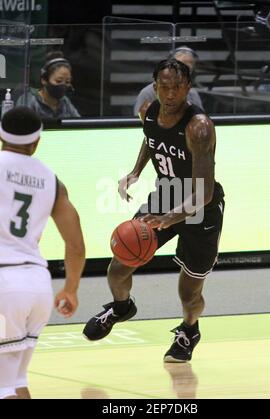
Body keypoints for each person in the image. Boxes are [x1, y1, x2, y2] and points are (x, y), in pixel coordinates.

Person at [83, 59, 225, 363]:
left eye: (177, 87)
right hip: (167, 194)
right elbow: (151, 140)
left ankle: (189, 330)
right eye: (164, 86)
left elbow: (205, 191)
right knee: (120, 265)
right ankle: (121, 307)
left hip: (200, 206)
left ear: (187, 87)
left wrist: (169, 218)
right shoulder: (148, 110)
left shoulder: (199, 127)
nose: (170, 93)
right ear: (154, 86)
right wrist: (135, 171)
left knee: (190, 290)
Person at [0, 107, 85, 399]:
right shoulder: (51, 180)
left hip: (3, 284)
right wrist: (71, 289)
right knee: (15, 381)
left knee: (3, 388)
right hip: (37, 287)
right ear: (37, 141)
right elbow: (75, 244)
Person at [133, 46, 204, 116]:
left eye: (188, 69)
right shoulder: (148, 93)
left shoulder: (192, 94)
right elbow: (138, 123)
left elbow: (200, 119)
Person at [16, 52, 80, 119]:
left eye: (67, 82)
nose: (63, 85)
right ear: (44, 80)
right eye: (58, 81)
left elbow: (78, 122)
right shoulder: (29, 101)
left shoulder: (65, 101)